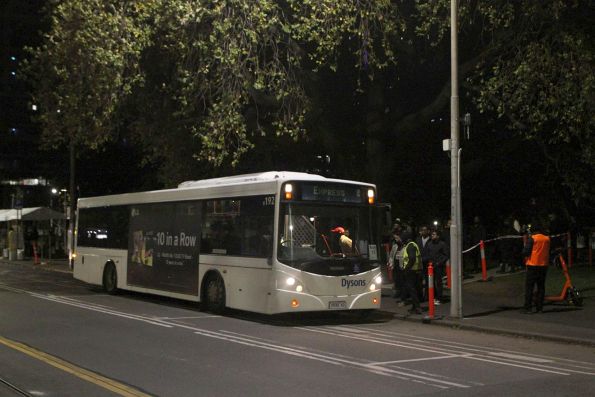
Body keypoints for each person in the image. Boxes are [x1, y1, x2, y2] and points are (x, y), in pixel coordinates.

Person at [521, 223, 551, 314]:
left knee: (529, 287)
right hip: (543, 265)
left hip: (532, 265)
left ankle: (528, 308)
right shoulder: (547, 239)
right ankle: (540, 308)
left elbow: (526, 252)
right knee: (541, 287)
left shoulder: (533, 239)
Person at [397, 231, 423, 314]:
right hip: (415, 270)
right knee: (413, 289)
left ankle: (417, 308)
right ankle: (414, 307)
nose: (401, 239)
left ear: (406, 238)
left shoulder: (410, 246)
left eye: (402, 238)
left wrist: (406, 269)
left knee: (412, 289)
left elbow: (412, 258)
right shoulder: (412, 245)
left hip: (411, 271)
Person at [426, 230, 449, 304]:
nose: (432, 235)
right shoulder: (429, 244)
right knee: (431, 282)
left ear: (438, 236)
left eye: (434, 234)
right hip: (431, 266)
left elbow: (446, 255)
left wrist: (440, 262)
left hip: (438, 266)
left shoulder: (442, 244)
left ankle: (439, 298)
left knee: (438, 282)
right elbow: (428, 254)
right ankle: (433, 297)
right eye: (431, 234)